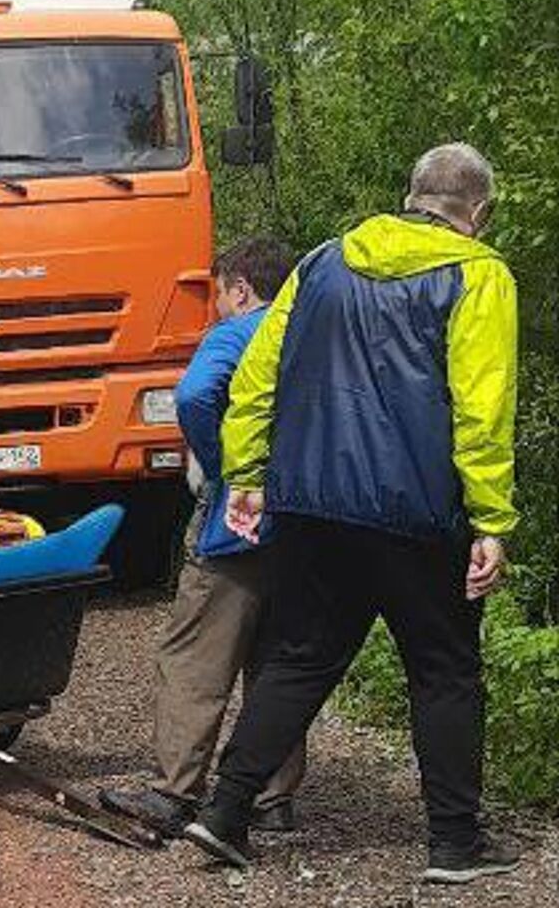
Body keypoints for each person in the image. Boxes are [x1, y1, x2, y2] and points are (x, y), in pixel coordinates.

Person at [184, 144, 521, 884]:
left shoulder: (321, 263)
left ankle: (225, 813)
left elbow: (258, 377)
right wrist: (491, 517)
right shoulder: (477, 274)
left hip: (313, 504)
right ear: (480, 213)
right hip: (418, 515)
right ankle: (454, 844)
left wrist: (244, 474)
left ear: (411, 194)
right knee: (444, 671)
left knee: (301, 657)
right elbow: (481, 408)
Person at [99, 237, 305, 839]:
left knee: (195, 656)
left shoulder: (238, 334)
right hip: (307, 529)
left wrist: (221, 467)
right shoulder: (314, 335)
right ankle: (273, 799)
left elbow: (192, 396)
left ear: (240, 289)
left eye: (218, 293)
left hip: (237, 528)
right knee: (279, 662)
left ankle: (175, 793)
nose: (215, 306)